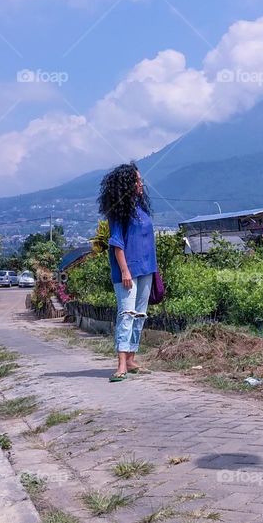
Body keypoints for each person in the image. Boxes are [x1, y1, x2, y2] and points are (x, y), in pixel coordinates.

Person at [98, 162, 157, 382]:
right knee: (126, 314)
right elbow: (117, 244)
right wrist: (124, 271)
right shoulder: (118, 213)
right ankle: (121, 363)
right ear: (126, 184)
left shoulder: (141, 209)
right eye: (137, 180)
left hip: (147, 270)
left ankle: (131, 358)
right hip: (127, 273)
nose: (141, 184)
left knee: (140, 315)